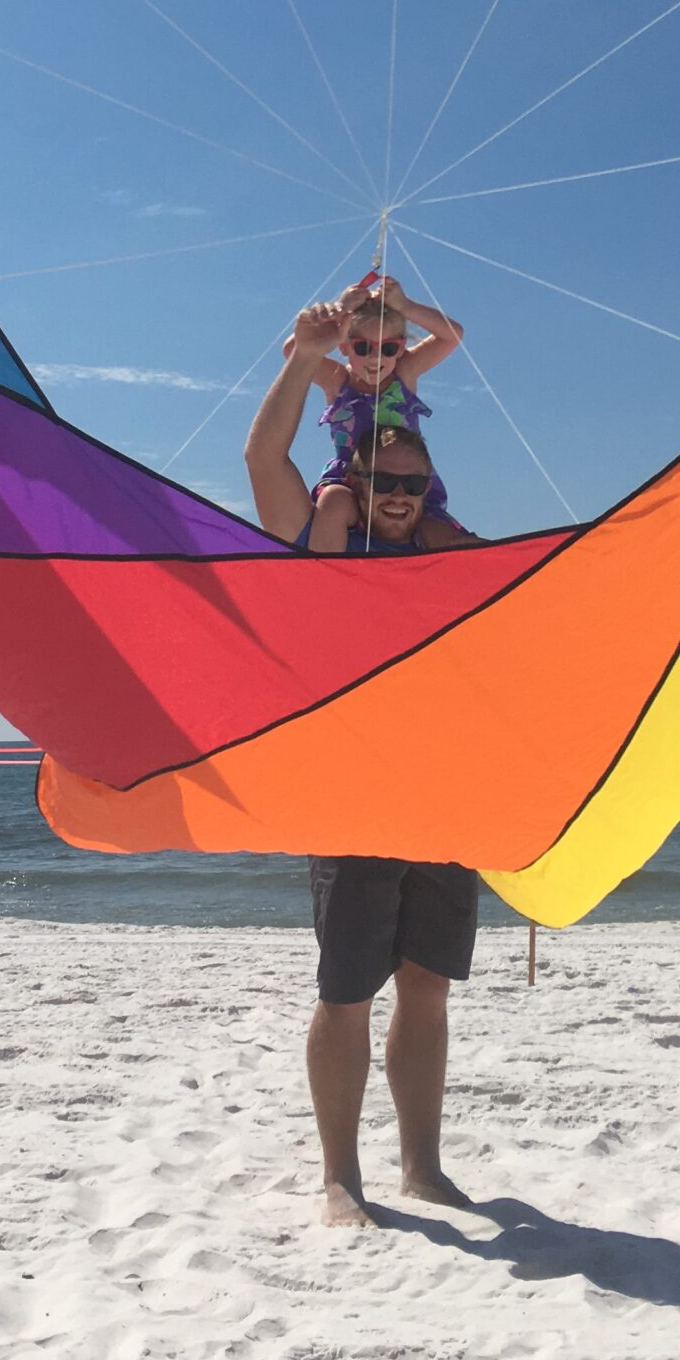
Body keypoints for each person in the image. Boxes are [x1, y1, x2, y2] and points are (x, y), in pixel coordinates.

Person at [246, 295, 485, 1229]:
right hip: (350, 786)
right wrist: (304, 359)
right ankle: (340, 1177)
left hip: (445, 787)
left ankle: (422, 1167)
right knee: (346, 988)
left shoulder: (447, 552)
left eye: (414, 485)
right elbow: (265, 459)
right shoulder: (319, 548)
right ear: (354, 472)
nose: (397, 493)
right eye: (382, 477)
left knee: (428, 984)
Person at [296, 274, 464, 546]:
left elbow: (452, 334)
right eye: (362, 347)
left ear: (401, 349)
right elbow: (295, 349)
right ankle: (323, 576)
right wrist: (341, 310)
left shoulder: (404, 372)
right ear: (343, 346)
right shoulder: (337, 378)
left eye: (388, 348)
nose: (376, 358)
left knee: (437, 532)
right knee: (333, 503)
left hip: (404, 485)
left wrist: (405, 305)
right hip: (352, 483)